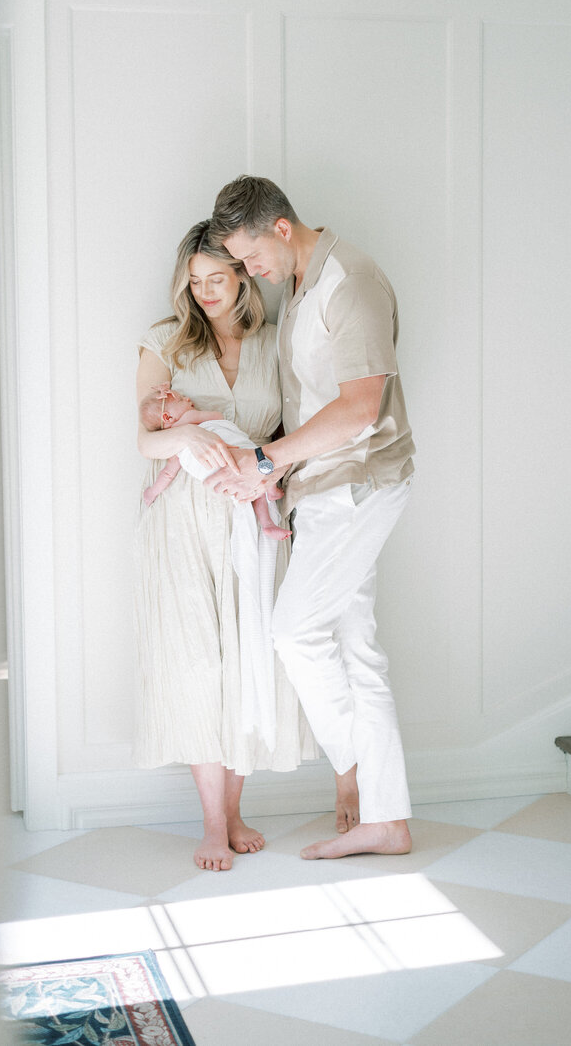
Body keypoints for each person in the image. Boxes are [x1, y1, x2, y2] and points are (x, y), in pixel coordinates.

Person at [207, 176, 416, 860]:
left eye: (250, 256)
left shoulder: (349, 282)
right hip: (324, 492)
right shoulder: (301, 287)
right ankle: (388, 819)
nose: (248, 272)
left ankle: (357, 771)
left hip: (358, 486)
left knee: (293, 632)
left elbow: (360, 409)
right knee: (357, 649)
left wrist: (266, 462)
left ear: (281, 228)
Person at [133, 219, 315, 872]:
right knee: (197, 664)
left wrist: (265, 470)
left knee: (249, 662)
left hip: (253, 513)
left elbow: (299, 435)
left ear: (242, 276)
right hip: (183, 519)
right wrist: (188, 437)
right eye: (196, 283)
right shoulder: (165, 342)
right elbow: (146, 438)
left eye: (218, 279)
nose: (207, 293)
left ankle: (236, 810)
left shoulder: (278, 343)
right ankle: (213, 822)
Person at [138, 384, 289, 539]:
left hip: (215, 474)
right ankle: (271, 492)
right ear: (167, 417)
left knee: (250, 490)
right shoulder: (189, 419)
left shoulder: (176, 449)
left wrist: (152, 492)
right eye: (181, 400)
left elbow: (168, 474)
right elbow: (218, 416)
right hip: (230, 453)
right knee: (257, 460)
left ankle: (267, 524)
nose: (188, 399)